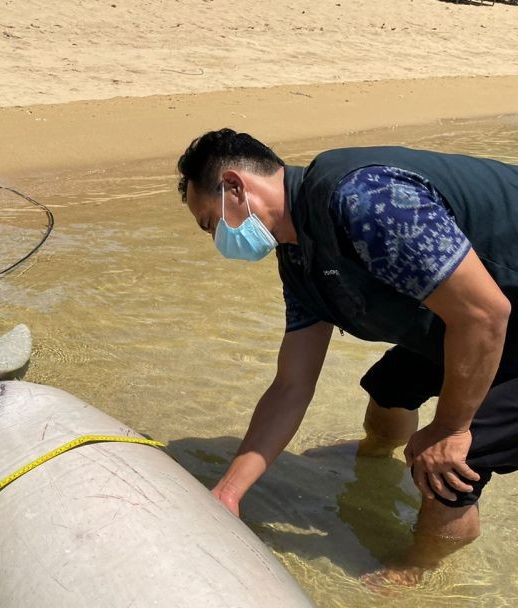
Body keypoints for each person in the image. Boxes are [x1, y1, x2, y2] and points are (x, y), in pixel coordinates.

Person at [176, 129, 518, 580]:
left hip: (493, 316)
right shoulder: (299, 258)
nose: (214, 239)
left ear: (236, 187)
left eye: (210, 222)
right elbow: (291, 385)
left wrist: (450, 428)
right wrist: (229, 492)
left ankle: (420, 571)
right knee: (389, 388)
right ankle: (375, 458)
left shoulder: (365, 200)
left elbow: (484, 314)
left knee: (448, 462)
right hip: (486, 315)